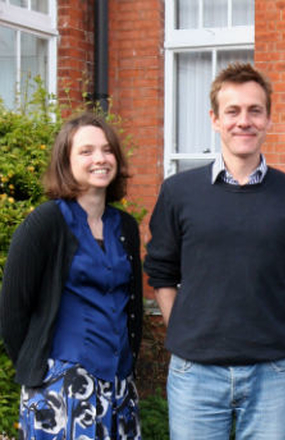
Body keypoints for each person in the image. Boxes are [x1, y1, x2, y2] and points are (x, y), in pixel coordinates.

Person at [143, 63, 285, 440]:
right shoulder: (179, 192)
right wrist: (188, 328)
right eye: (233, 111)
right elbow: (161, 272)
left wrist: (266, 320)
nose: (245, 121)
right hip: (195, 374)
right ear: (215, 119)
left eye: (255, 110)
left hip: (273, 372)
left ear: (268, 118)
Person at [0, 112, 143, 438]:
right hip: (58, 390)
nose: (100, 159)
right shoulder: (45, 223)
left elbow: (131, 306)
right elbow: (12, 313)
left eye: (107, 150)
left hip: (119, 388)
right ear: (66, 161)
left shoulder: (125, 228)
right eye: (86, 151)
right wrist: (43, 370)